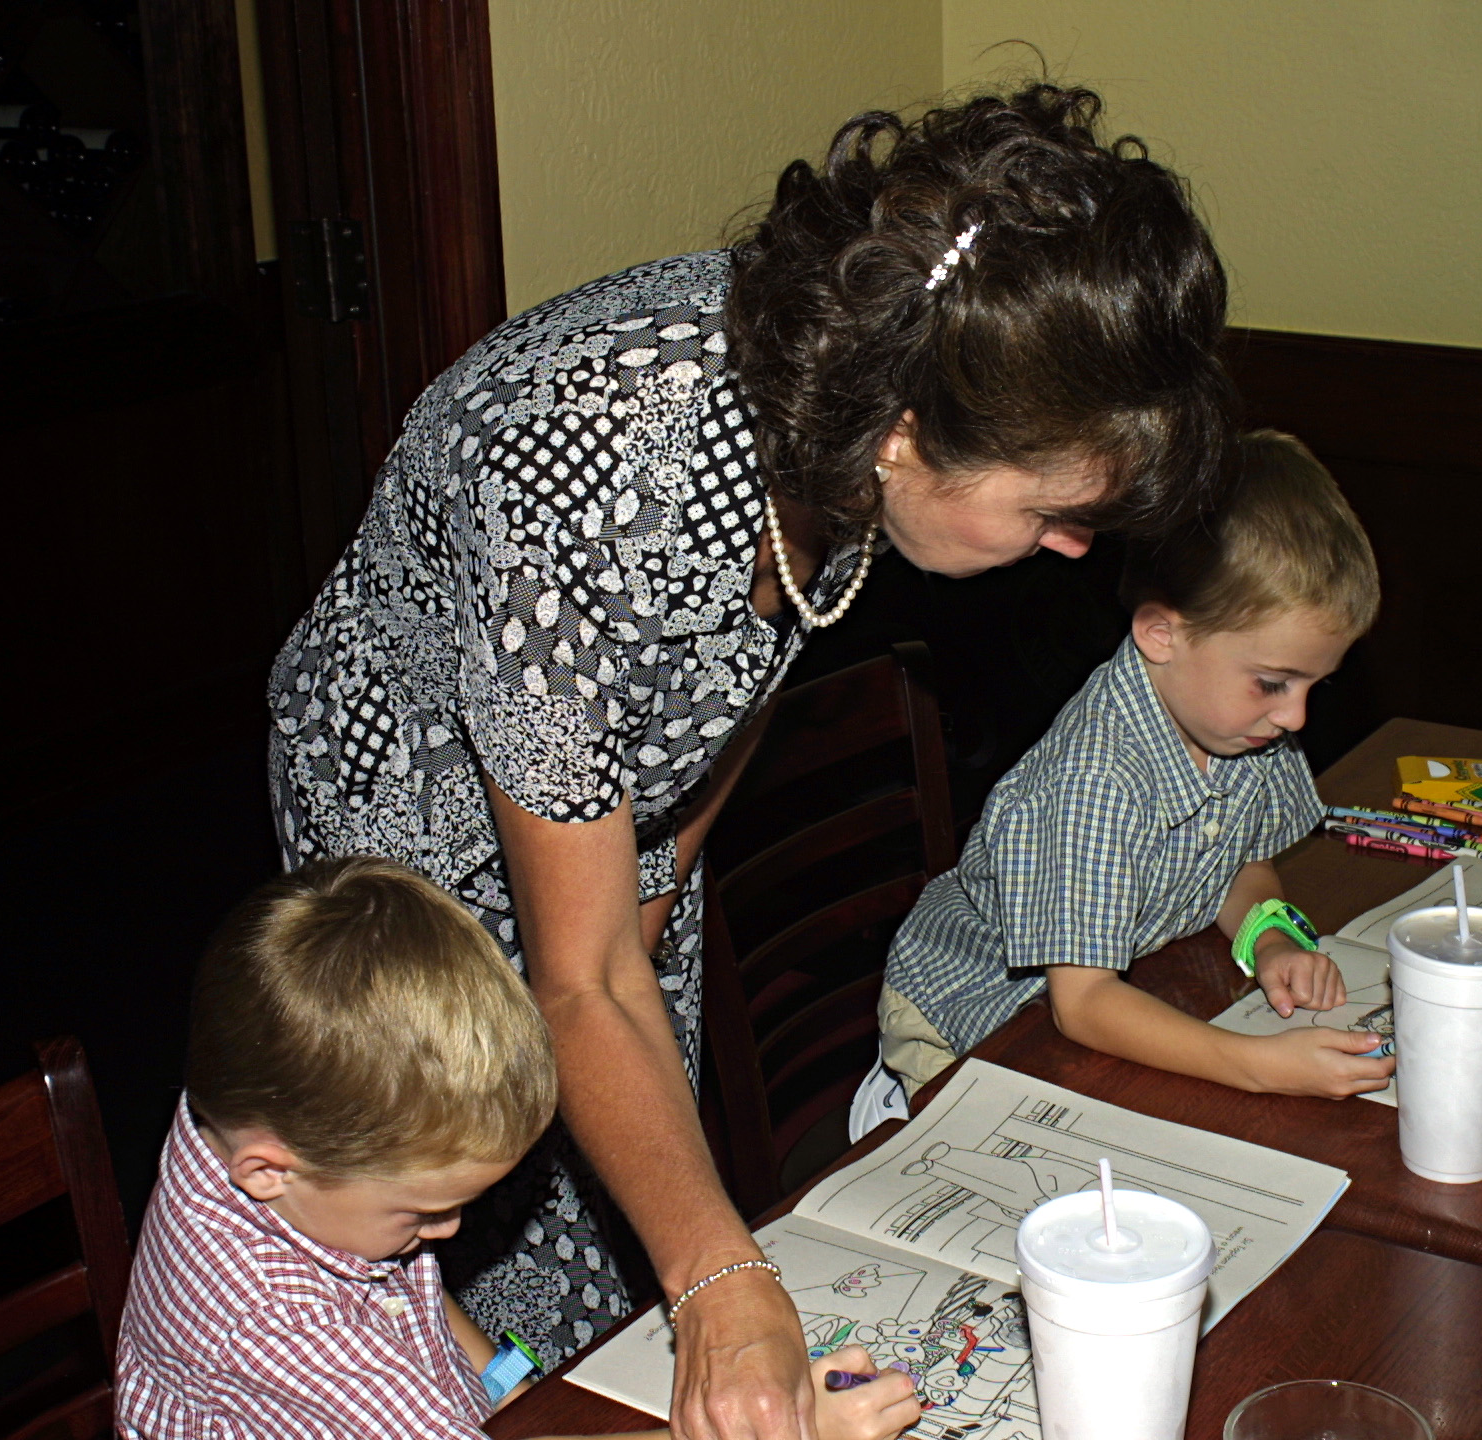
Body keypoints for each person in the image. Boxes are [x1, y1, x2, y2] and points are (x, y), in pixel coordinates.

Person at [266, 83, 1233, 1440]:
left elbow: (764, 641)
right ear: (908, 438)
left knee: (632, 1206)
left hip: (602, 789)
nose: (1075, 548)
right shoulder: (583, 476)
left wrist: (671, 852)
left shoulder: (862, 380)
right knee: (473, 1210)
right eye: (1054, 512)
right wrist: (720, 1280)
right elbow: (579, 979)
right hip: (412, 811)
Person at [116, 856, 922, 1440]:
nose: (447, 1232)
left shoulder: (251, 1117)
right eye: (423, 1213)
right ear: (268, 1170)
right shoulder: (280, 1334)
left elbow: (406, 1291)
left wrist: (510, 1386)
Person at [873, 432, 1399, 1104]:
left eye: (1313, 686)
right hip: (971, 1026)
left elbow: (1239, 864)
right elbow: (1084, 1004)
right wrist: (1261, 1066)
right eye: (1273, 682)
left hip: (1120, 984)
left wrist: (1270, 938)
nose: (1295, 717)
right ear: (1161, 633)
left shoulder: (1241, 725)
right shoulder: (1091, 784)